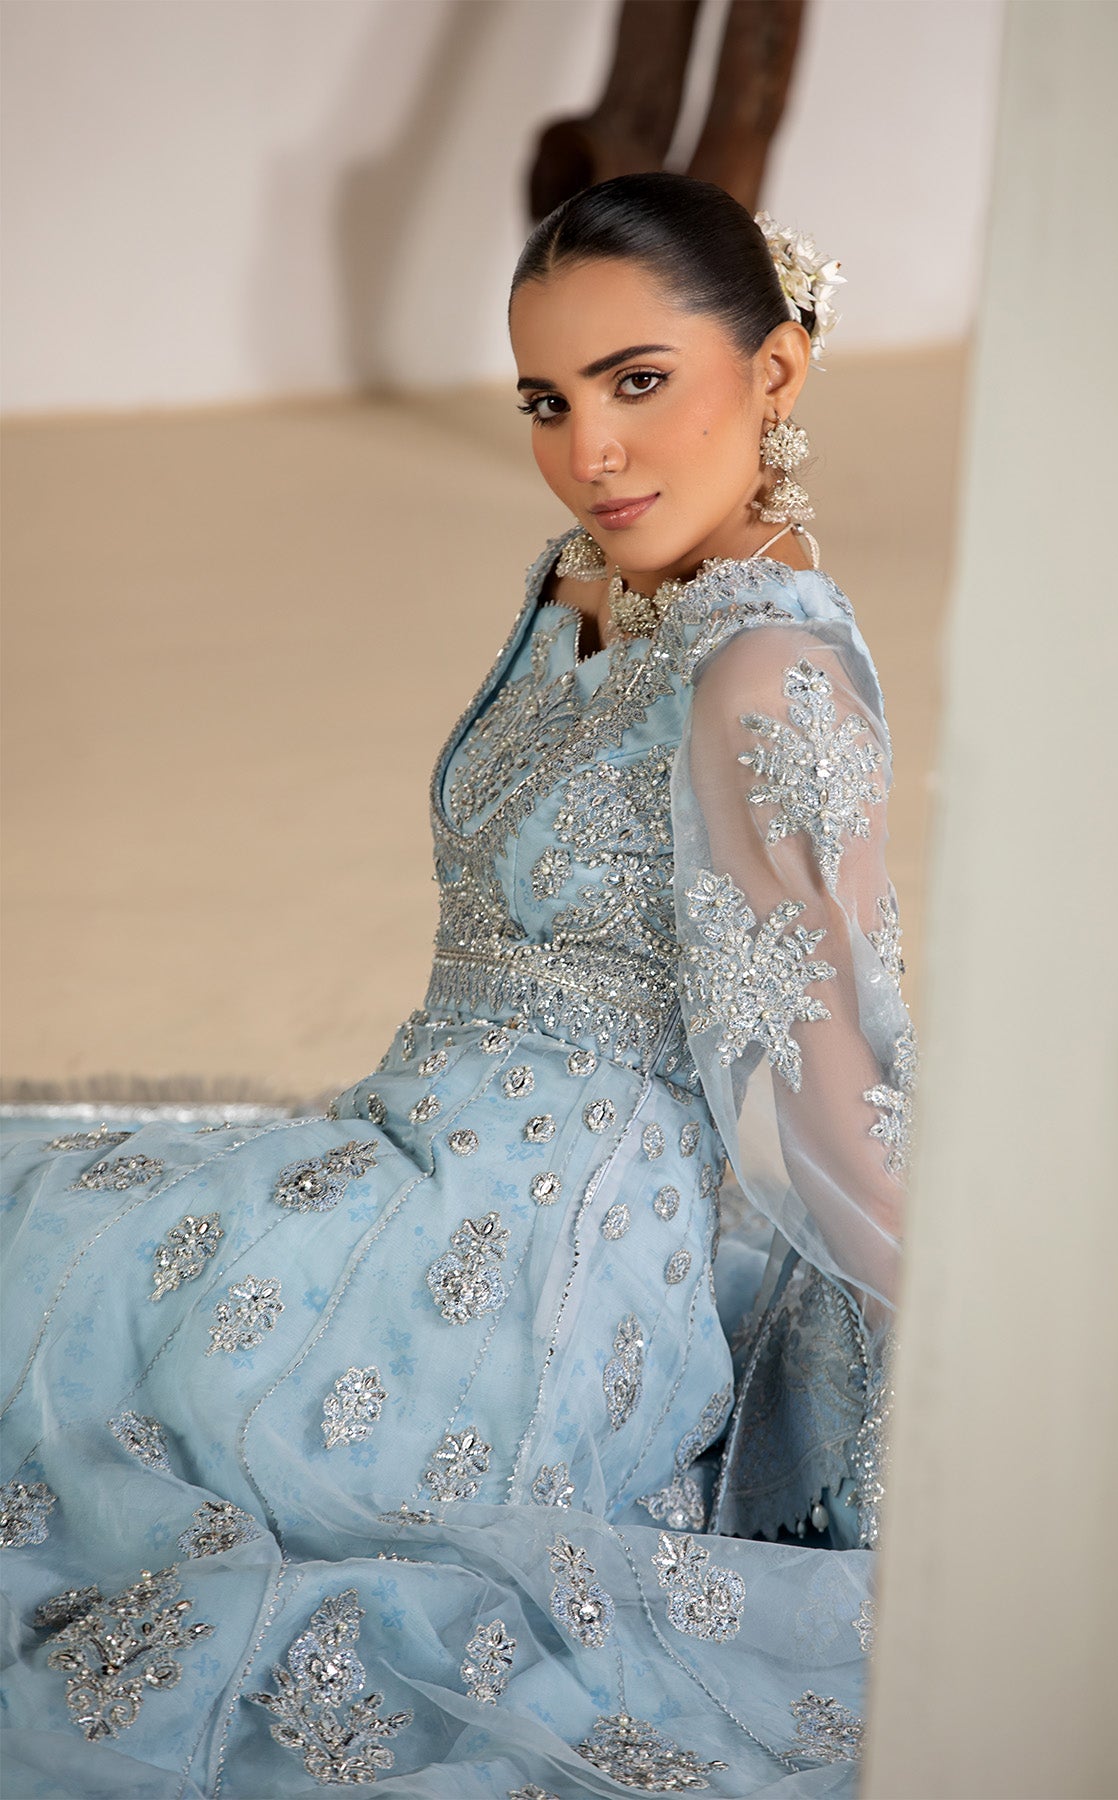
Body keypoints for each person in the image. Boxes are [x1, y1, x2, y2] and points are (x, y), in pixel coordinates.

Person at [0, 173, 915, 1798]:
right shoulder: (579, 583)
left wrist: (1001, 1365)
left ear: (776, 371)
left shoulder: (765, 674)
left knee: (89, 1338)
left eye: (640, 383)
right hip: (393, 1148)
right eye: (549, 402)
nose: (592, 453)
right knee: (56, 1241)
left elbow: (832, 1092)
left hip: (540, 1274)